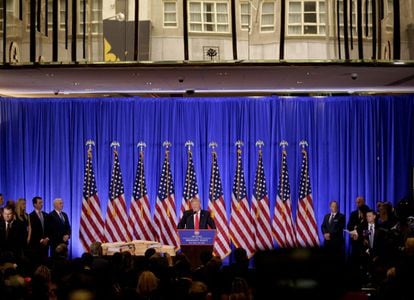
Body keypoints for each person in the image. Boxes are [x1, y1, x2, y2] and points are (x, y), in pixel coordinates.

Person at [29, 196, 50, 265]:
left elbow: (49, 229)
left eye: (42, 202)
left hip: (46, 245)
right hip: (36, 246)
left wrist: (47, 238)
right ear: (35, 204)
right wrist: (41, 240)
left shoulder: (46, 215)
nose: (42, 204)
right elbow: (32, 232)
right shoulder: (30, 216)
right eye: (40, 203)